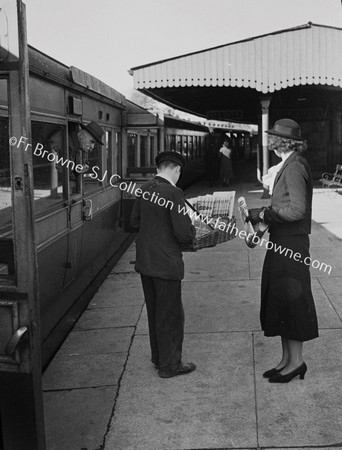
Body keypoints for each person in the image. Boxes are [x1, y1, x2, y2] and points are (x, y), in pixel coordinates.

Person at [246, 118, 318, 383]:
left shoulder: (294, 166)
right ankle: (287, 360)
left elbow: (297, 209)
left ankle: (297, 362)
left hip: (292, 245)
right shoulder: (290, 164)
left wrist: (266, 213)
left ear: (279, 142)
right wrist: (261, 224)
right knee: (282, 300)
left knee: (293, 300)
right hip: (283, 242)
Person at [130, 151, 196, 378]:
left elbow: (134, 222)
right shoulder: (173, 193)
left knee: (155, 312)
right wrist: (192, 228)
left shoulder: (144, 189)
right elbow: (184, 234)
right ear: (176, 170)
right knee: (171, 316)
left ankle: (159, 358)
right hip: (167, 264)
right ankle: (170, 366)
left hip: (146, 263)